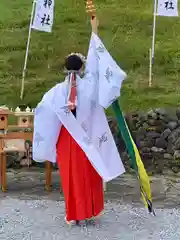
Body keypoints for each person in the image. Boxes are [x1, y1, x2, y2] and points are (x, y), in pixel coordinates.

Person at [33, 16, 127, 225]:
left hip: (67, 138)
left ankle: (74, 214)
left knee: (71, 177)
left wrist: (49, 137)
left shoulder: (55, 92)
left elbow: (41, 111)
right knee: (89, 174)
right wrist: (95, 31)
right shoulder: (90, 85)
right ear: (82, 68)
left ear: (65, 69)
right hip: (89, 135)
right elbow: (100, 72)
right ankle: (90, 211)